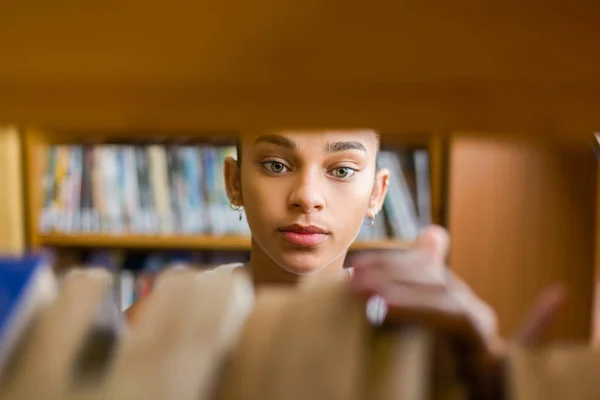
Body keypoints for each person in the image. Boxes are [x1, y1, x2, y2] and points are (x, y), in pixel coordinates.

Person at [125, 129, 565, 398]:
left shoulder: (418, 335)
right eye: (276, 164)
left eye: (341, 171)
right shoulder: (156, 324)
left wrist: (495, 387)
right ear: (234, 182)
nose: (307, 196)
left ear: (377, 192)